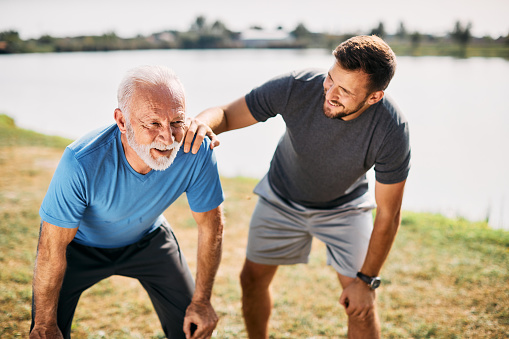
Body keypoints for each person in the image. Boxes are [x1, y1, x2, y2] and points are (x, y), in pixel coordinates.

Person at [183, 35, 411, 338]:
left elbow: (388, 215)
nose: (330, 93)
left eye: (345, 91)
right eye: (330, 80)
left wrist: (367, 281)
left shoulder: (391, 131)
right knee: (251, 280)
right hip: (281, 197)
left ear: (374, 97)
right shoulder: (296, 87)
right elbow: (225, 115)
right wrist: (200, 122)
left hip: (345, 207)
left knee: (360, 304)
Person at [30, 65, 225, 339]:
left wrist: (202, 301)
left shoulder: (197, 150)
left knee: (193, 327)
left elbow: (211, 227)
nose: (168, 138)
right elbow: (52, 247)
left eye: (177, 122)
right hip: (78, 248)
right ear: (122, 121)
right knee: (47, 331)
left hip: (148, 240)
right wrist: (45, 323)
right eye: (153, 123)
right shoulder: (81, 162)